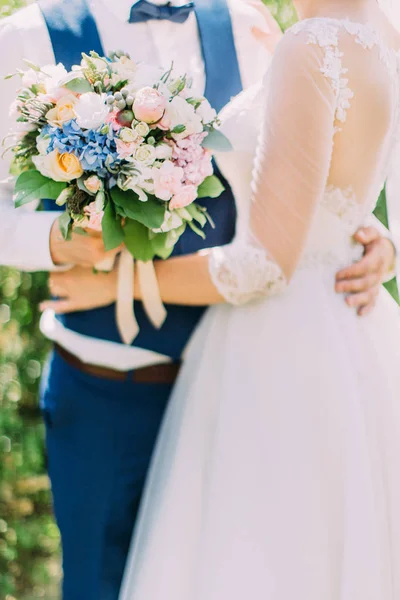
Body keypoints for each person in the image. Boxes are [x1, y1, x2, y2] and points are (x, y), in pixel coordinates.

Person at [0, 0, 396, 599]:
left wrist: (364, 232)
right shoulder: (30, 36)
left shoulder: (251, 23)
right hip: (113, 379)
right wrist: (56, 241)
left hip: (247, 378)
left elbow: (309, 172)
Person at [119, 0, 400, 597]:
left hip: (279, 346)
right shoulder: (381, 33)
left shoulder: (312, 46)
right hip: (355, 328)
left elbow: (264, 266)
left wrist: (124, 281)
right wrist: (381, 239)